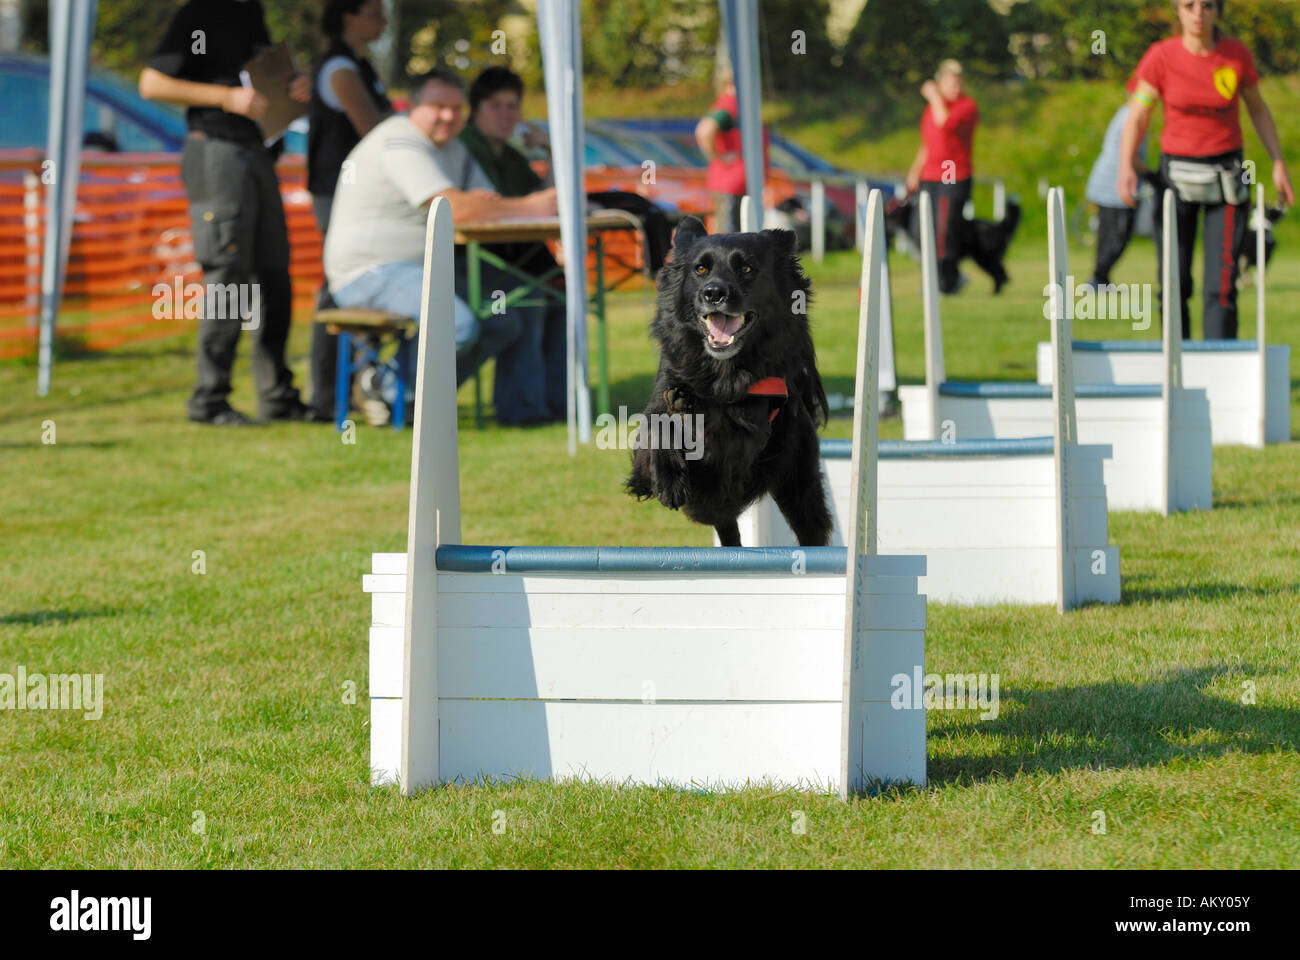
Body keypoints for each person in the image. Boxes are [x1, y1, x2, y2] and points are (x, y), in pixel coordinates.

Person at [323, 67, 559, 426]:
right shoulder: (399, 140)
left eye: (456, 108)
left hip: (423, 268)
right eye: (438, 106)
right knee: (459, 324)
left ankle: (521, 413)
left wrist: (480, 204)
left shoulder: (455, 148)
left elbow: (485, 207)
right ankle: (383, 386)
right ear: (412, 106)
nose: (449, 116)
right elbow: (458, 210)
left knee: (510, 311)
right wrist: (529, 205)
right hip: (369, 271)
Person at [139, 0, 316, 425]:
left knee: (274, 276)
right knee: (228, 274)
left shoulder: (251, 12)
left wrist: (295, 90)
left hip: (259, 154)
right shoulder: (198, 14)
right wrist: (225, 98)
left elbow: (260, 84)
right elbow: (152, 83)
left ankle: (278, 396)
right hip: (218, 152)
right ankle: (210, 399)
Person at [1119, 0, 1294, 339]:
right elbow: (1138, 115)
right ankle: (1177, 365)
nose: (1199, 13)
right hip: (1175, 177)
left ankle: (1220, 367)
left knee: (1223, 285)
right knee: (1174, 280)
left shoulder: (1236, 55)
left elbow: (1258, 110)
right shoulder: (1161, 56)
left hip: (1228, 174)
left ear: (1218, 11)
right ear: (1177, 11)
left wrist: (1278, 163)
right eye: (1190, 5)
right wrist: (1126, 165)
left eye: (1208, 5)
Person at [459, 66, 567, 421]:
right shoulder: (464, 148)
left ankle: (557, 402)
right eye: (496, 105)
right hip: (468, 258)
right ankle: (521, 408)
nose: (506, 115)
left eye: (512, 106)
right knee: (528, 298)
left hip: (514, 254)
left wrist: (551, 152)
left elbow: (547, 201)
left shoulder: (511, 156)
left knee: (559, 292)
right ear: (475, 109)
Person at [305, 0, 393, 422]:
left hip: (357, 198)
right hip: (338, 197)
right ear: (348, 18)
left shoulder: (359, 65)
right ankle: (326, 396)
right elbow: (375, 132)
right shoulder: (339, 68)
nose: (383, 21)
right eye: (374, 13)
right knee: (340, 291)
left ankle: (357, 387)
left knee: (355, 289)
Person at [906, 60, 979, 295]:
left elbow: (945, 123)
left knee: (942, 231)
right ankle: (948, 275)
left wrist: (933, 97)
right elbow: (928, 143)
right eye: (950, 82)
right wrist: (915, 171)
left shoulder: (966, 106)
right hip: (931, 176)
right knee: (918, 229)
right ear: (940, 83)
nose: (956, 87)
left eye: (959, 82)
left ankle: (941, 282)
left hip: (953, 176)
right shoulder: (933, 108)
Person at [1085, 76, 1149, 288]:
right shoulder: (1131, 118)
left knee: (1108, 237)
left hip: (1108, 184)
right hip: (1116, 188)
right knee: (1119, 236)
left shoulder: (1126, 114)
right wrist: (1153, 175)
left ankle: (1100, 280)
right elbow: (1131, 155)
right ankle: (1097, 279)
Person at [695, 68, 768, 233]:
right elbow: (704, 131)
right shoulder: (729, 105)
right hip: (731, 185)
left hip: (741, 185)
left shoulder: (738, 105)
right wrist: (719, 157)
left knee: (742, 236)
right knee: (729, 240)